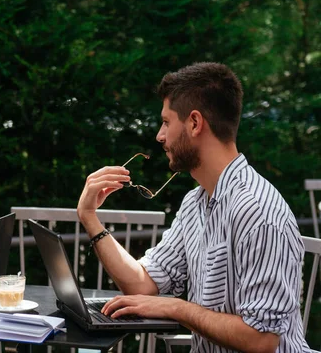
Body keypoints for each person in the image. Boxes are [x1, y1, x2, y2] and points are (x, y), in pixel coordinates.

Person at [77, 63, 311, 352]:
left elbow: (260, 339)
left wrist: (177, 308)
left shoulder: (258, 211)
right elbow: (144, 286)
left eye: (166, 122)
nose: (160, 136)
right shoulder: (196, 202)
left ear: (195, 123)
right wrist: (90, 219)